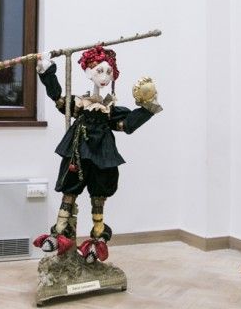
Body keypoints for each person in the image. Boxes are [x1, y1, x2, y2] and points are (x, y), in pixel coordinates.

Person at [32, 46, 161, 262]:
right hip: (78, 151)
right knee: (70, 190)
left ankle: (97, 238)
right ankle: (59, 231)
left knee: (99, 195)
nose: (105, 77)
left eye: (109, 72)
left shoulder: (109, 108)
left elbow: (125, 125)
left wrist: (148, 106)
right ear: (88, 72)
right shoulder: (80, 104)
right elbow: (60, 101)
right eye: (99, 71)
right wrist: (47, 70)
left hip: (103, 153)